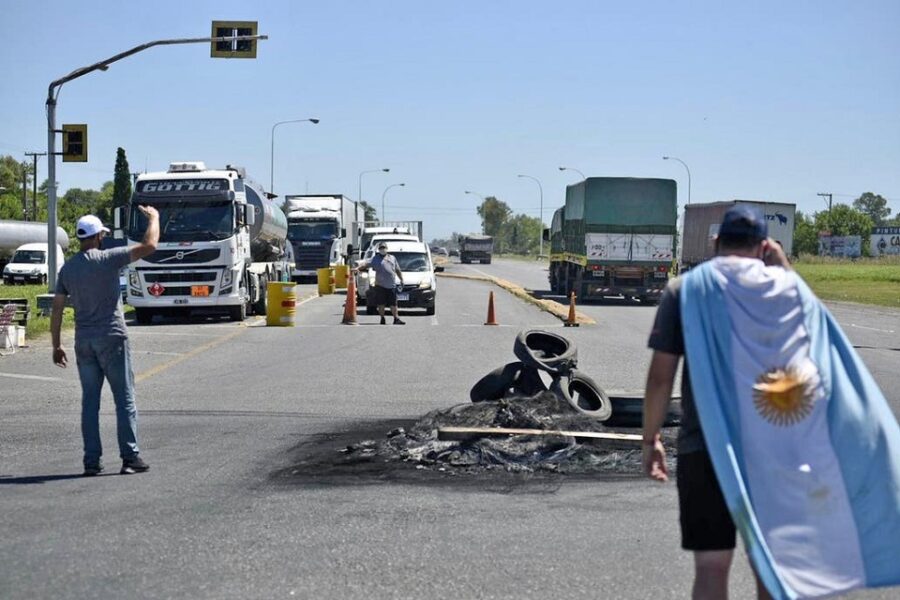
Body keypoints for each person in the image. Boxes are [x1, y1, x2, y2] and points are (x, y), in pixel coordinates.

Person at [642, 206, 790, 600]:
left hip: (702, 445)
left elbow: (661, 377)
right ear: (763, 246)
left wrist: (650, 439)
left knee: (710, 566)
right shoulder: (782, 291)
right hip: (772, 449)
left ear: (715, 243)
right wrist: (781, 263)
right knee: (769, 565)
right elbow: (815, 347)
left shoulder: (684, 291)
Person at [51, 208, 160, 476]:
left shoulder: (68, 270)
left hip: (84, 342)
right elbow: (150, 245)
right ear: (99, 236)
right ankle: (130, 457)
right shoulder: (109, 258)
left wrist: (56, 345)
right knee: (124, 399)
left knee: (90, 402)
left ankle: (91, 461)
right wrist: (154, 218)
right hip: (112, 337)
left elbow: (56, 309)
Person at [354, 242, 405, 325]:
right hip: (380, 285)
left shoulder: (392, 258)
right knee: (381, 303)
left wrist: (401, 279)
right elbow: (366, 264)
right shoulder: (375, 259)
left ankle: (396, 318)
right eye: (381, 248)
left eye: (384, 248)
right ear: (378, 249)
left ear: (387, 248)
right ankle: (382, 318)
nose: (382, 249)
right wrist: (358, 268)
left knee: (394, 303)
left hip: (391, 285)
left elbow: (397, 269)